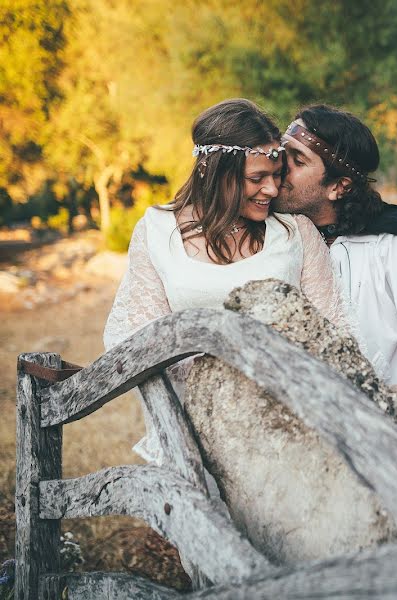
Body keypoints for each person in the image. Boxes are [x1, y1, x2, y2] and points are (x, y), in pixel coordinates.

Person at [103, 98, 346, 461]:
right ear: (214, 171)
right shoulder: (156, 230)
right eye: (256, 178)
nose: (272, 190)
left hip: (290, 425)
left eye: (276, 175)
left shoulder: (295, 232)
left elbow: (335, 326)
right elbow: (135, 334)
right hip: (192, 426)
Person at [274, 104, 397, 423]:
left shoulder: (393, 244)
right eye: (281, 153)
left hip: (375, 430)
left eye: (297, 161)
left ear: (339, 187)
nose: (280, 168)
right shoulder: (267, 236)